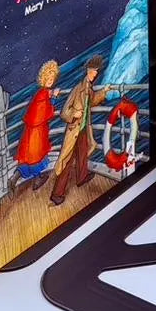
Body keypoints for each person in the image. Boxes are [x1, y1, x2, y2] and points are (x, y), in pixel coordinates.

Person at [50, 55, 116, 206]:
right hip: (74, 130)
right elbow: (64, 112)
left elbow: (92, 101)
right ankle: (57, 194)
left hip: (84, 129)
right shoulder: (77, 89)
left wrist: (104, 91)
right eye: (93, 72)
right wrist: (74, 114)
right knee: (67, 161)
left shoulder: (89, 89)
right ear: (87, 71)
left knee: (82, 155)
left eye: (96, 73)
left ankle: (81, 178)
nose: (95, 75)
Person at [9, 60, 60, 195]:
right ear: (43, 79)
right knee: (36, 154)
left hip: (31, 130)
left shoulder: (40, 93)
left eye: (52, 78)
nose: (50, 81)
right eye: (48, 78)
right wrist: (54, 98)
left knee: (28, 156)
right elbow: (47, 113)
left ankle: (14, 178)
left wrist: (50, 95)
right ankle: (37, 180)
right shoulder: (43, 95)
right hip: (37, 131)